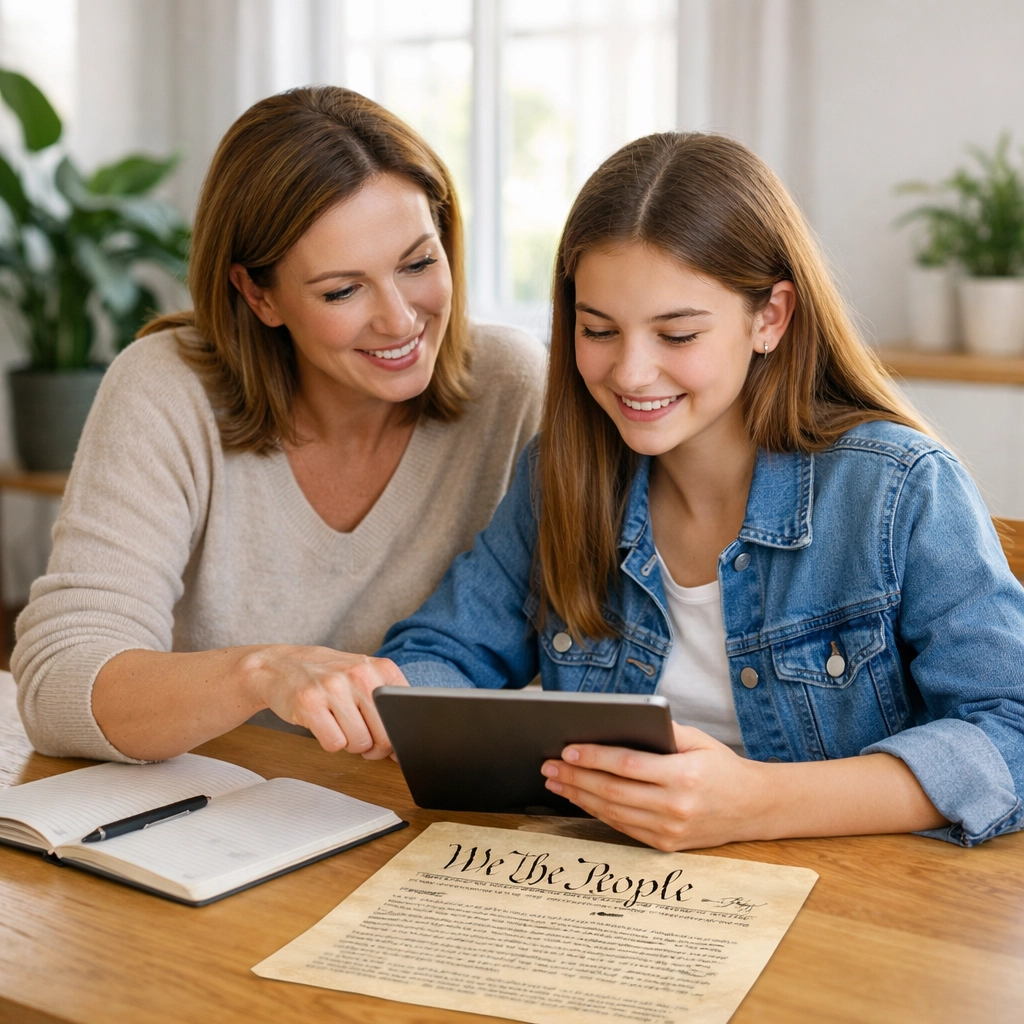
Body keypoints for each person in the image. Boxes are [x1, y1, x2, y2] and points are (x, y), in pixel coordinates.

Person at [315, 131, 1023, 850]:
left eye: (676, 335)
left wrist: (761, 802)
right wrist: (380, 694)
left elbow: (1012, 731)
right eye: (598, 330)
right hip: (620, 896)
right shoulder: (561, 473)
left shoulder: (897, 488)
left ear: (770, 317)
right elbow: (446, 653)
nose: (630, 372)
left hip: (849, 910)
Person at [13, 87, 545, 763]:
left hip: (407, 817)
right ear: (258, 294)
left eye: (417, 263)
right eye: (342, 290)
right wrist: (260, 674)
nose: (400, 319)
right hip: (209, 816)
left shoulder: (514, 384)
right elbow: (59, 686)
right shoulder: (168, 388)